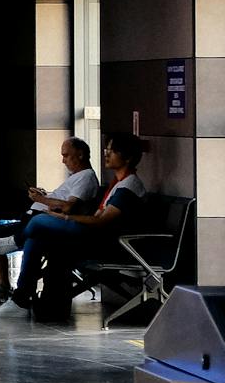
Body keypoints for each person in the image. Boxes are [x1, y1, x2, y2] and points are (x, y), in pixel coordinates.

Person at [11, 131, 151, 324]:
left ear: (127, 157)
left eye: (111, 151)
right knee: (39, 237)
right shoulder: (119, 183)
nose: (106, 155)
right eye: (106, 150)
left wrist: (67, 217)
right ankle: (20, 299)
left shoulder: (129, 187)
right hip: (95, 236)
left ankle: (15, 242)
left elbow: (102, 222)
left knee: (38, 223)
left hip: (106, 243)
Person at [0, 136, 99, 313]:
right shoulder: (76, 177)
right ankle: (5, 286)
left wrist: (41, 199)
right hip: (41, 218)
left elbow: (68, 206)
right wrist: (45, 196)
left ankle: (18, 241)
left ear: (80, 154)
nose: (63, 160)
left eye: (66, 156)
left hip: (53, 223)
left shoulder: (86, 177)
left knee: (34, 232)